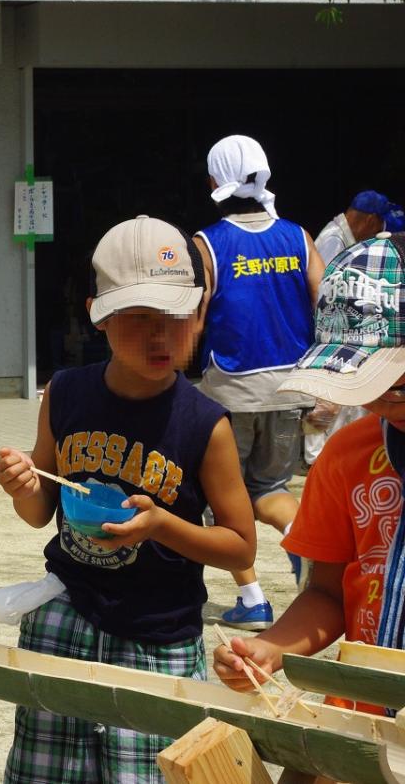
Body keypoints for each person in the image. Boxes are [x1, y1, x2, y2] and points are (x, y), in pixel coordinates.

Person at [0, 217, 256, 783]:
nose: (160, 337)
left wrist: (162, 525)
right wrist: (23, 483)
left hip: (159, 633)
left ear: (201, 313)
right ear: (100, 316)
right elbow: (42, 509)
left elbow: (239, 547)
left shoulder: (205, 425)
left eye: (176, 318)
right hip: (64, 615)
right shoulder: (65, 393)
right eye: (138, 320)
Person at [213, 232, 405, 719]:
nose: (378, 401)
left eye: (397, 388)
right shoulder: (349, 455)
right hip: (368, 707)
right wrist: (273, 648)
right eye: (365, 384)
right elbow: (328, 591)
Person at [194, 135, 323, 626]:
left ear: (214, 181)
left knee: (221, 498)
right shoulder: (298, 236)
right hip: (291, 388)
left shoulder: (208, 243)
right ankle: (302, 547)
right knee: (269, 487)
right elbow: (324, 301)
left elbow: (198, 318)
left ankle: (252, 601)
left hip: (230, 389)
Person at [303, 191, 397, 469]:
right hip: (331, 332)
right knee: (328, 399)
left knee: (340, 401)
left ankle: (326, 455)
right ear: (369, 220)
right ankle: (316, 459)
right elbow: (324, 294)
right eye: (380, 222)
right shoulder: (333, 240)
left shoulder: (344, 237)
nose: (382, 229)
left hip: (341, 330)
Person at [314, 190, 391, 267]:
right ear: (370, 221)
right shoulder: (334, 242)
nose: (376, 235)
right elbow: (323, 278)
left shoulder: (339, 234)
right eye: (380, 229)